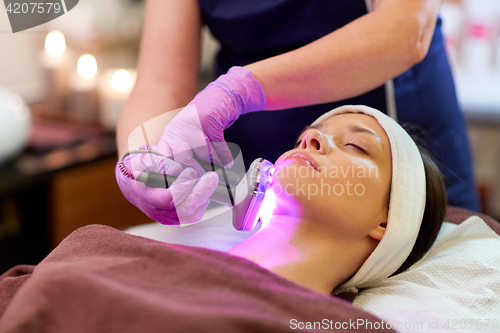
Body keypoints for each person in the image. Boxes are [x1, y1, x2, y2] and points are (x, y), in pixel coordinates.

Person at [116, 0, 467, 227]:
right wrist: (141, 159)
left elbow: (406, 30)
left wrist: (241, 88)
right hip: (255, 179)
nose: (310, 137)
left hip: (396, 159)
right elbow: (160, 82)